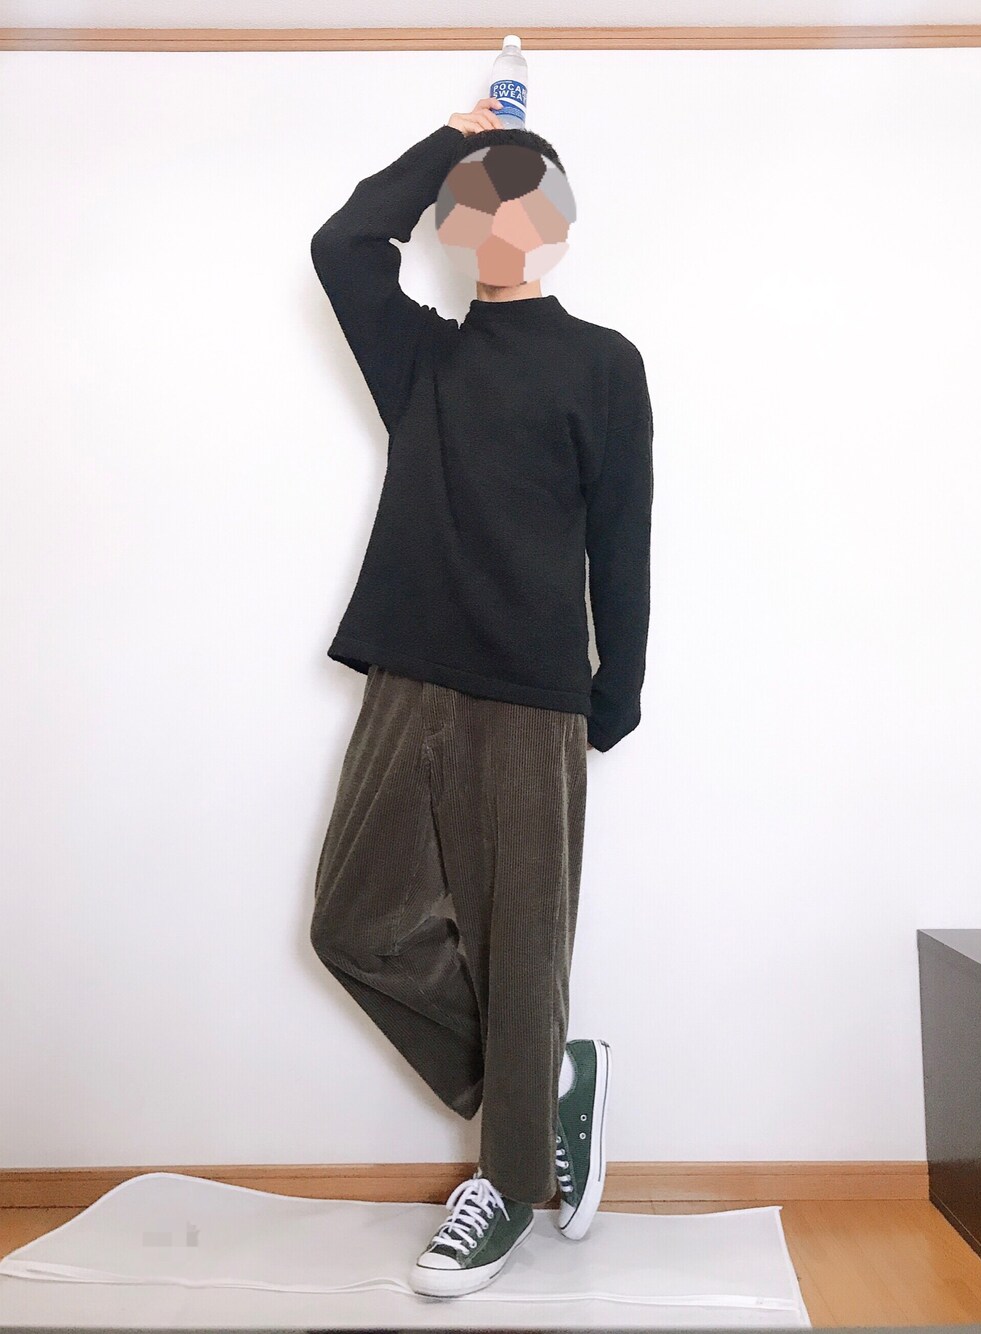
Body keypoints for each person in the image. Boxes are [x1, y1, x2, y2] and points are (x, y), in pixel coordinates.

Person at [308, 97, 653, 1299]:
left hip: (535, 692)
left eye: (518, 198)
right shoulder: (423, 357)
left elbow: (621, 539)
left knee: (522, 948)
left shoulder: (606, 364)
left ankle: (508, 1181)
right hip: (409, 673)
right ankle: (543, 1083)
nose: (496, 219)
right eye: (475, 201)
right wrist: (449, 142)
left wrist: (617, 687)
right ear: (454, 223)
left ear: (555, 222)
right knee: (350, 924)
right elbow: (342, 244)